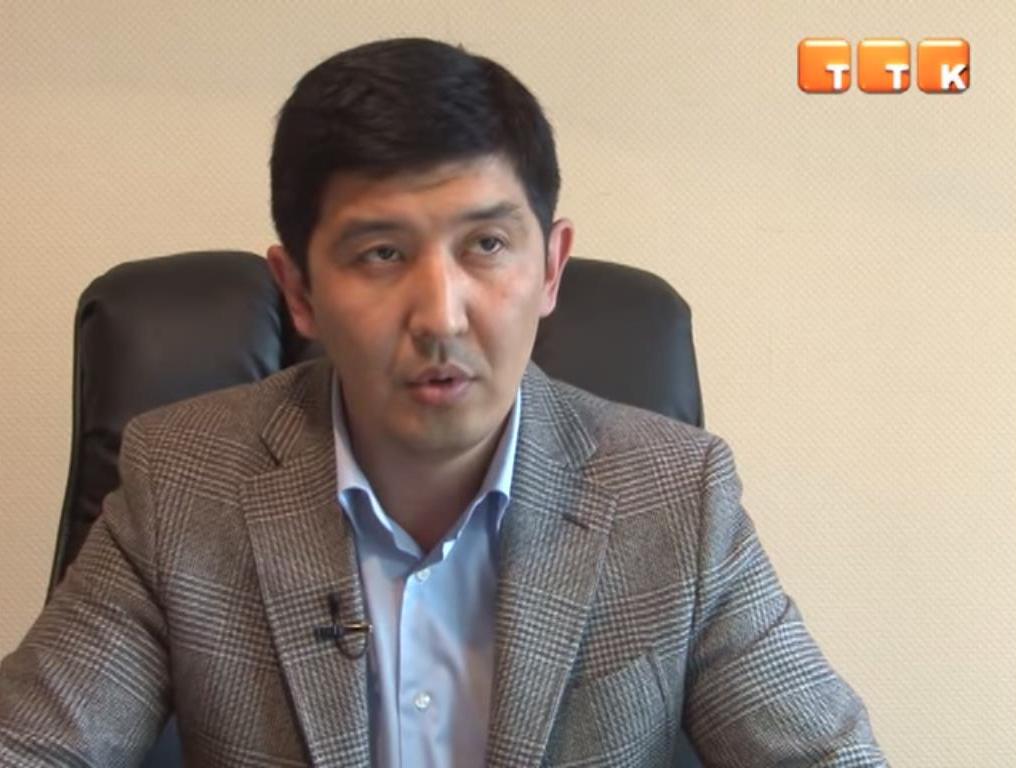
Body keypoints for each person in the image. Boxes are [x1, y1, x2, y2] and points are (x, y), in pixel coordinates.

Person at [0, 37, 887, 767]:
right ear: (299, 291)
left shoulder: (676, 495)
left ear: (551, 267)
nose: (440, 316)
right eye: (381, 254)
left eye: (487, 244)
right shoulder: (183, 482)